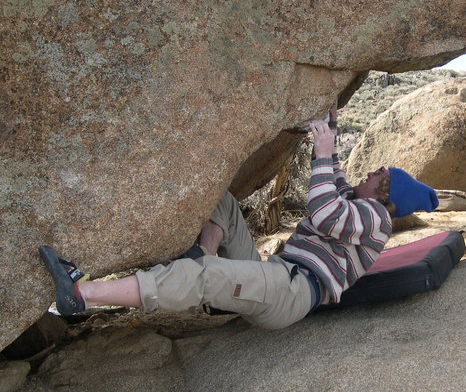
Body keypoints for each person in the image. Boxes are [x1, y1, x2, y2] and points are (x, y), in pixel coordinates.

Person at [40, 112, 438, 330]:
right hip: (277, 275)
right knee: (225, 203)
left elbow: (325, 211)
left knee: (204, 279)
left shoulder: (375, 220)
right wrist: (329, 129)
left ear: (385, 193)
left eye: (378, 174)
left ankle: (81, 295)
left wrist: (320, 151)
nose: (369, 173)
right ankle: (205, 254)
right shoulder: (359, 200)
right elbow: (333, 176)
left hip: (291, 292)